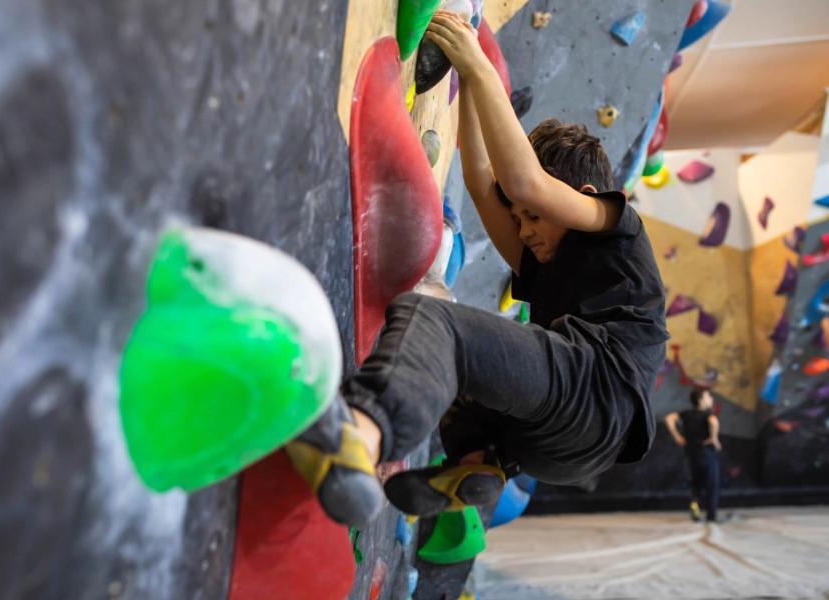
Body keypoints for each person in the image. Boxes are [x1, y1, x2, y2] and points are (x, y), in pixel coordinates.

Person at [284, 10, 669, 527]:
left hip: (595, 390)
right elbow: (483, 174)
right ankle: (475, 463)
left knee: (433, 323)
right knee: (457, 371)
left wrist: (481, 68)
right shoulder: (547, 259)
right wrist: (466, 78)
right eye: (519, 221)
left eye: (534, 219)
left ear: (581, 198)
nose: (525, 230)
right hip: (564, 449)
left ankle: (358, 433)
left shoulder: (614, 224)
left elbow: (526, 183)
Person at [665, 390, 722, 522]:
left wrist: (677, 436)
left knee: (696, 483)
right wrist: (714, 438)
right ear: (701, 400)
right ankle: (711, 515)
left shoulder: (686, 414)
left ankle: (694, 503)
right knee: (711, 484)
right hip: (707, 454)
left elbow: (669, 418)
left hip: (692, 454)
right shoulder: (707, 415)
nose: (711, 399)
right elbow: (714, 422)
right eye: (708, 396)